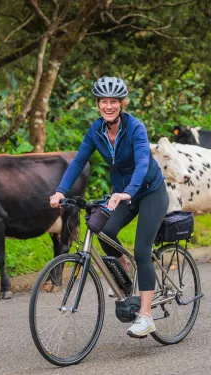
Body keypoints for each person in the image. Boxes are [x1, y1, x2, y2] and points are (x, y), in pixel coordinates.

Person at [50, 76, 168, 338]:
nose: (109, 106)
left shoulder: (135, 128)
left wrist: (127, 192)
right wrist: (60, 190)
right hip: (121, 194)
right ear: (98, 104)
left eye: (114, 101)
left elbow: (141, 163)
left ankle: (146, 316)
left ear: (122, 103)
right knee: (102, 229)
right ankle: (125, 277)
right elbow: (79, 160)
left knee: (142, 250)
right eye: (104, 102)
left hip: (150, 192)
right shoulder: (96, 131)